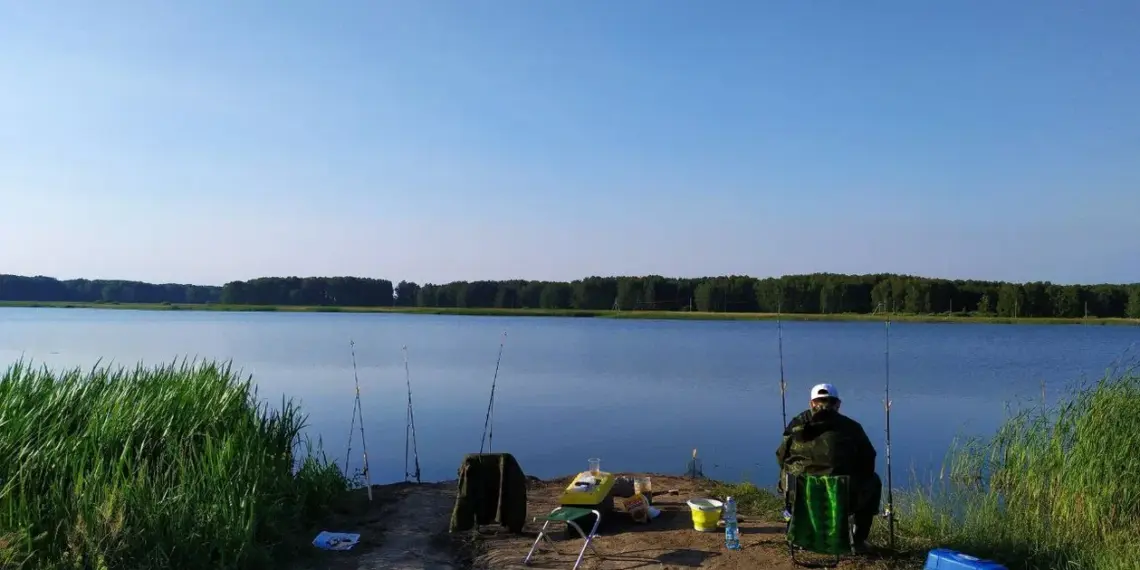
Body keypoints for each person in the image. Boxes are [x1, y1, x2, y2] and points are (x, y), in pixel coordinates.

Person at [775, 383, 882, 552]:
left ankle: (796, 535)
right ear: (838, 404)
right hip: (842, 496)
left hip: (800, 495)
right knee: (874, 481)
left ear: (811, 404)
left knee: (788, 476)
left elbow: (781, 457)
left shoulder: (796, 427)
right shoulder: (852, 427)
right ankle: (858, 541)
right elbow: (869, 460)